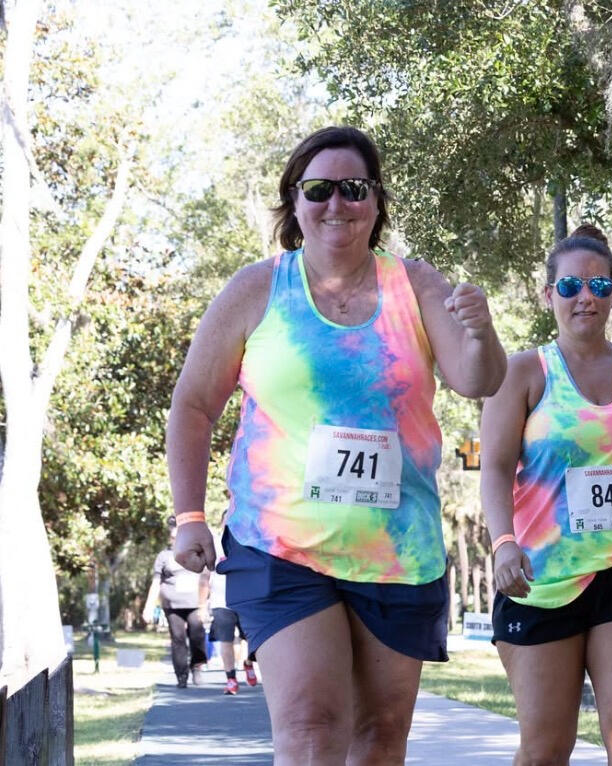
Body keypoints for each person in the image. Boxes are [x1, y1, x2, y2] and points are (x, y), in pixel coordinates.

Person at [166, 126, 507, 764]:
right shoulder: (257, 289)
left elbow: (477, 380)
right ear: (293, 203)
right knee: (312, 726)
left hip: (396, 550)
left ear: (376, 203)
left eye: (354, 189)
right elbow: (192, 405)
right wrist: (189, 517)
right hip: (281, 545)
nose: (336, 204)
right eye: (318, 189)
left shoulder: (417, 286)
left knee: (379, 737)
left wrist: (482, 332)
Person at [480, 224, 612, 765]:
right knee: (548, 747)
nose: (585, 299)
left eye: (599, 286)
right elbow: (497, 467)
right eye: (570, 287)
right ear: (549, 294)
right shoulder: (523, 372)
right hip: (541, 576)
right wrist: (503, 542)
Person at [142, 516, 210, 688]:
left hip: (194, 602)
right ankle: (181, 675)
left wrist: (204, 603)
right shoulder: (163, 556)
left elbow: (206, 576)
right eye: (172, 536)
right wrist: (149, 607)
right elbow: (156, 582)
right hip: (172, 604)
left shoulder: (195, 551)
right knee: (178, 638)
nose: (175, 538)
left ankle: (197, 666)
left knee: (197, 634)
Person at [208, 514, 257, 695]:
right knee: (225, 640)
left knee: (250, 639)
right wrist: (201, 603)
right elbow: (206, 575)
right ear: (222, 523)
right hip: (221, 601)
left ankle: (248, 662)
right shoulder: (214, 543)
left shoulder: (249, 541)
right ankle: (231, 678)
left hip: (246, 600)